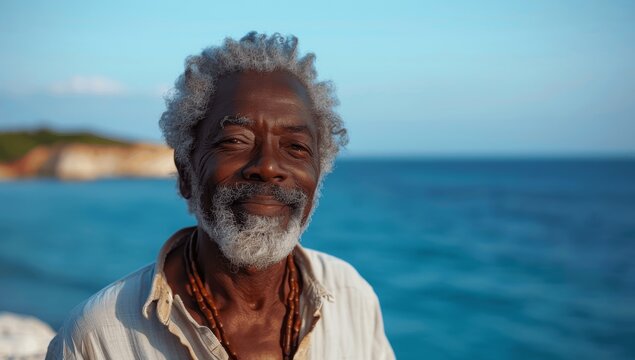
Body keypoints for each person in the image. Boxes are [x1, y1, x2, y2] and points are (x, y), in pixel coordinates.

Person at [46, 32, 395, 360]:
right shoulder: (97, 336)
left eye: (296, 147)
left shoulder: (351, 298)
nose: (268, 166)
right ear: (186, 173)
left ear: (318, 178)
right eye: (235, 140)